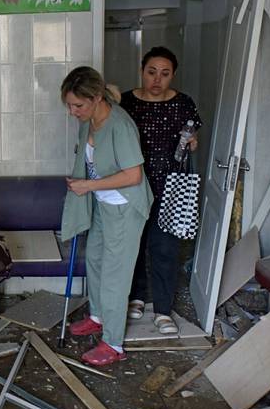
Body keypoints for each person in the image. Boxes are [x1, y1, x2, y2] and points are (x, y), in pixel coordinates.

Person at [61, 67, 152, 366]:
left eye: (78, 105)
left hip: (125, 207)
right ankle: (99, 316)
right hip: (104, 204)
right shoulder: (89, 122)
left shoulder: (120, 126)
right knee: (96, 260)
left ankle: (113, 343)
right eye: (70, 105)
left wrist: (88, 185)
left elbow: (133, 175)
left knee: (116, 275)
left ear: (97, 98)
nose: (73, 112)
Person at [120, 47, 203, 334]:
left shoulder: (184, 104)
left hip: (172, 186)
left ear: (173, 76)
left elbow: (193, 140)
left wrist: (193, 141)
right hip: (134, 184)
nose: (157, 79)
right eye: (151, 72)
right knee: (135, 244)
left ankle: (163, 310)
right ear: (142, 71)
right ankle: (137, 296)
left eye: (165, 74)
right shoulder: (126, 102)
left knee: (165, 248)